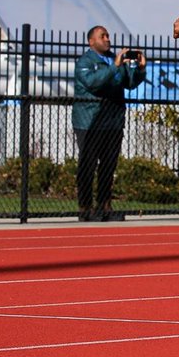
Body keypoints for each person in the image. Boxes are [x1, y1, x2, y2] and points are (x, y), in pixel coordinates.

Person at [72, 26, 145, 221]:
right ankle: (85, 208)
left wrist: (140, 69)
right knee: (87, 165)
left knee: (108, 166)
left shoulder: (115, 59)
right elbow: (94, 83)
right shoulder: (85, 62)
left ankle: (105, 207)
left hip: (113, 121)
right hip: (89, 122)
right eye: (102, 36)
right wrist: (115, 66)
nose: (107, 39)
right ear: (91, 41)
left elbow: (129, 83)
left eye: (107, 36)